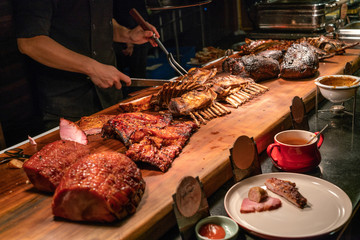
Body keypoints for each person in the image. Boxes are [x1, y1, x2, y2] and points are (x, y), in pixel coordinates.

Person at [13, 0, 159, 130]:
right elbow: (30, 43)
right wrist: (92, 68)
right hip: (67, 103)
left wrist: (127, 34)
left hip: (109, 95)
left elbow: (99, 23)